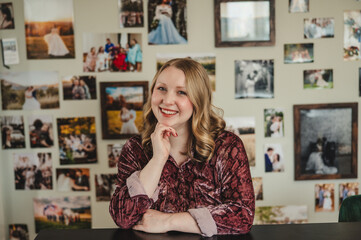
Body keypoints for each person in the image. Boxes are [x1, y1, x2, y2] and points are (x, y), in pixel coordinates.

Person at [109, 58, 255, 237]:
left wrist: (168, 221)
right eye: (161, 88)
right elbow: (123, 217)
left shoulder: (227, 146)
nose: (168, 100)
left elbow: (242, 215)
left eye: (181, 92)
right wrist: (158, 159)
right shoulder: (135, 148)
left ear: (198, 100)